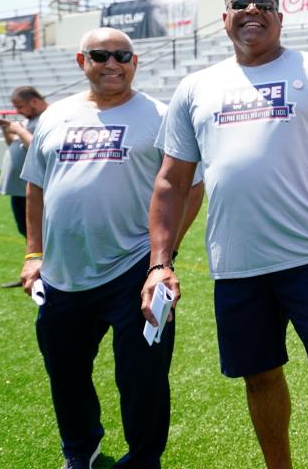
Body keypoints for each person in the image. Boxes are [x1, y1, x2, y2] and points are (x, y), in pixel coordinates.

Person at [143, 0, 308, 469]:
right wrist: (159, 262)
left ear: (280, 17)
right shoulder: (196, 87)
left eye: (263, 4)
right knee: (258, 376)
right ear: (224, 19)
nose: (251, 10)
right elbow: (171, 183)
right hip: (236, 264)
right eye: (240, 4)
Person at [19, 27, 203, 469]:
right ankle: (81, 451)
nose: (112, 63)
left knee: (143, 378)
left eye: (123, 55)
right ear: (82, 62)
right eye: (100, 55)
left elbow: (190, 189)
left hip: (135, 268)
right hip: (64, 271)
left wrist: (163, 256)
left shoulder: (160, 115)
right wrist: (32, 254)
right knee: (66, 374)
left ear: (135, 62)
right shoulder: (53, 117)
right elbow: (36, 189)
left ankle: (143, 460)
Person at [0, 86, 48, 287]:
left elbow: (36, 147)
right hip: (18, 187)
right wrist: (7, 130)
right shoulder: (30, 120)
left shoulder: (47, 118)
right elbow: (15, 144)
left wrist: (19, 129)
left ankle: (42, 271)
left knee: (36, 232)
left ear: (34, 101)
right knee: (25, 229)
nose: (18, 111)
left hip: (33, 188)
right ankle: (33, 269)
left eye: (20, 106)